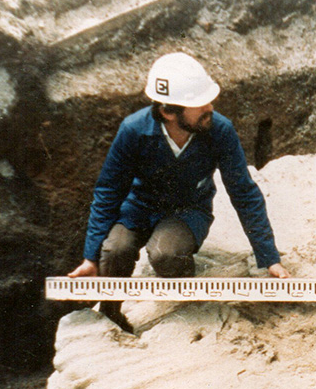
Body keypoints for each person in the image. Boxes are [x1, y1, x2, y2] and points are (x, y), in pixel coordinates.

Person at [68, 52, 290, 332]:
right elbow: (108, 191)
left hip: (188, 210)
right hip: (139, 207)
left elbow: (244, 192)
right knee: (114, 251)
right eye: (199, 104)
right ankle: (112, 314)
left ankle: (185, 296)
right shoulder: (134, 131)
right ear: (168, 112)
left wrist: (269, 258)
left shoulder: (220, 131)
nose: (210, 108)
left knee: (166, 254)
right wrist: (90, 257)